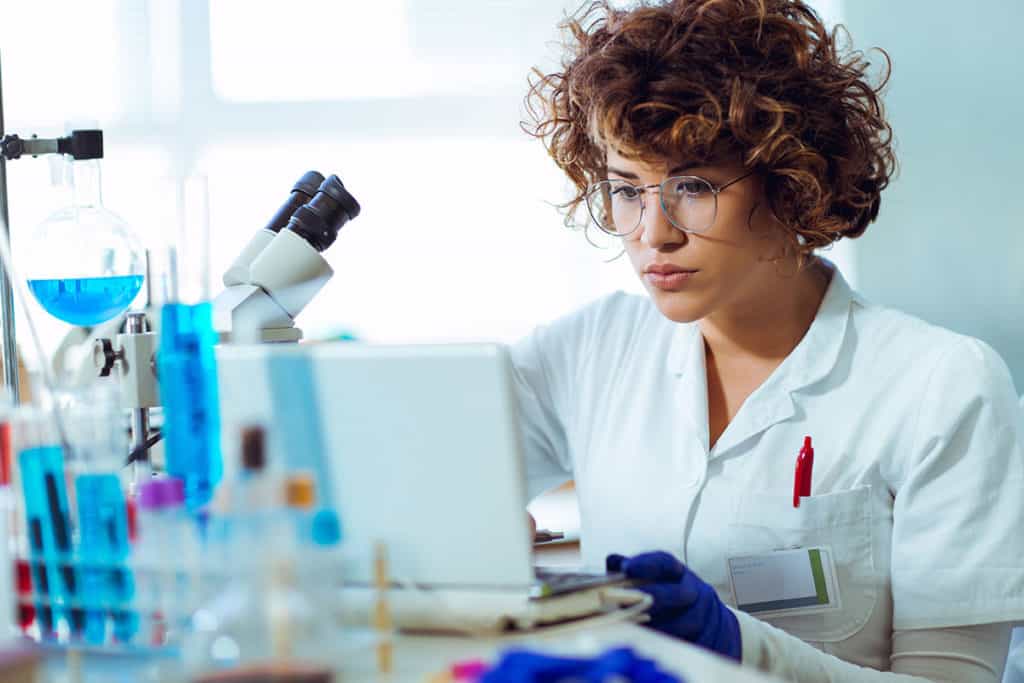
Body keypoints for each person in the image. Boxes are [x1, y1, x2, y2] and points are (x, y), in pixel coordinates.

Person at [513, 1, 1024, 681]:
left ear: (791, 180)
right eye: (626, 189)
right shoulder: (588, 350)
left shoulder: (941, 386)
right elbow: (397, 475)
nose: (652, 232)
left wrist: (744, 646)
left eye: (692, 186)